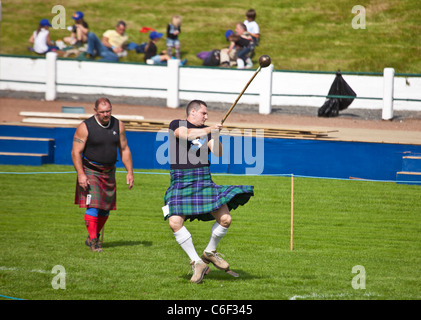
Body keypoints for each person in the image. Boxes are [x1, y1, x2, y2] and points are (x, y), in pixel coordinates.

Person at [164, 100, 254, 283]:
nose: (206, 116)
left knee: (225, 219)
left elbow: (218, 153)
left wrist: (216, 135)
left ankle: (209, 251)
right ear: (193, 112)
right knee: (174, 222)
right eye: (204, 113)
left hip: (204, 180)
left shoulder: (207, 131)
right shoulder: (177, 124)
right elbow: (187, 135)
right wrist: (209, 129)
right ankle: (197, 262)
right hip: (181, 182)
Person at [72, 97, 134, 252]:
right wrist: (81, 174)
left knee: (105, 209)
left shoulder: (118, 125)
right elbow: (76, 152)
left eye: (108, 111)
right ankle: (94, 240)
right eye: (102, 112)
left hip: (109, 171)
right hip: (90, 170)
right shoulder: (85, 127)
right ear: (95, 111)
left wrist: (130, 172)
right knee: (93, 206)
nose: (106, 114)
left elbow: (124, 149)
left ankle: (93, 235)